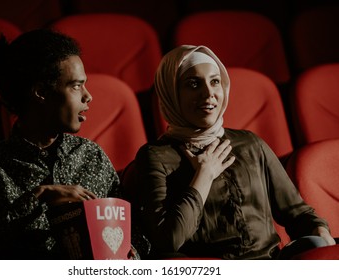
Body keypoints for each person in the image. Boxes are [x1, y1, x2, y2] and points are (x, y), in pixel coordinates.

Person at [123, 45, 336, 259]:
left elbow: (297, 212)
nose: (208, 93)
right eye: (194, 84)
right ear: (171, 93)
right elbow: (168, 240)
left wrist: (318, 230)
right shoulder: (156, 156)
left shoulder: (250, 143)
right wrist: (203, 176)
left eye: (215, 81)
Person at [0, 29, 141, 259]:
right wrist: (36, 199)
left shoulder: (91, 155)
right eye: (76, 86)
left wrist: (133, 253)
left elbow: (134, 231)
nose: (88, 96)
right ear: (40, 91)